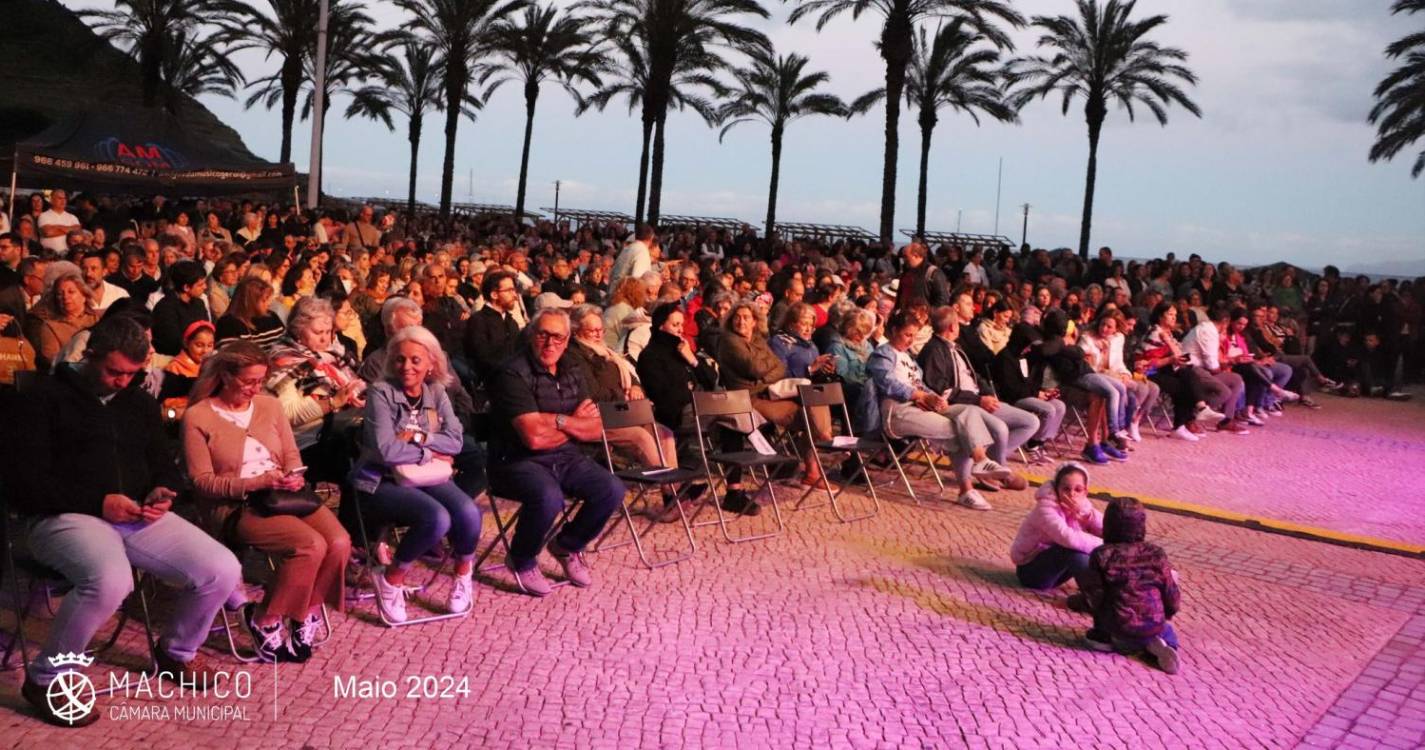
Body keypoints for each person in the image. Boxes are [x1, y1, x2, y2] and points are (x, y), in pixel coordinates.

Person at [3, 316, 242, 727]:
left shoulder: (138, 401)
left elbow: (163, 465)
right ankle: (47, 679)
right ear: (89, 355)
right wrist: (98, 502)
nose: (123, 382)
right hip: (61, 515)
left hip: (132, 513)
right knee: (111, 580)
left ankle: (175, 653)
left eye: (133, 374)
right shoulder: (42, 398)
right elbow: (23, 484)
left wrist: (163, 491)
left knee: (222, 569)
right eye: (114, 371)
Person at [182, 341, 349, 660]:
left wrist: (293, 473)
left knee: (339, 541)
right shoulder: (198, 417)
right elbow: (202, 482)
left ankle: (306, 612)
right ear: (226, 376)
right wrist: (256, 482)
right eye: (249, 382)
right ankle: (265, 619)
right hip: (238, 504)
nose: (256, 388)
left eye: (260, 380)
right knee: (309, 544)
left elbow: (289, 452)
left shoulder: (269, 405)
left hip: (283, 493)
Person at [486, 307, 626, 597]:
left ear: (567, 339)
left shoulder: (572, 367)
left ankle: (567, 546)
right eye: (544, 335)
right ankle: (522, 559)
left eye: (558, 338)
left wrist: (557, 421)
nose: (551, 344)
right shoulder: (512, 372)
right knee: (549, 496)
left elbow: (597, 428)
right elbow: (533, 439)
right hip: (514, 461)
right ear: (532, 335)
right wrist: (574, 422)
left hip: (565, 455)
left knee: (611, 489)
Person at [352, 326, 481, 622]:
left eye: (415, 360)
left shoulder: (436, 391)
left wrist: (419, 440)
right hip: (379, 479)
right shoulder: (381, 392)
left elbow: (456, 441)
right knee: (436, 518)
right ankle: (391, 579)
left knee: (469, 512)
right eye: (399, 360)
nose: (406, 367)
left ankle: (463, 576)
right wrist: (431, 450)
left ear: (431, 363)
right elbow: (386, 451)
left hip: (424, 475)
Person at [869, 310, 1022, 511]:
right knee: (960, 430)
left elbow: (920, 384)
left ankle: (981, 463)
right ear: (894, 330)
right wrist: (921, 396)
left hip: (920, 406)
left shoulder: (908, 357)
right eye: (907, 335)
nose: (911, 340)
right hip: (898, 412)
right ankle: (966, 489)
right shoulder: (883, 354)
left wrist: (935, 398)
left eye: (914, 336)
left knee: (969, 412)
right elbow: (887, 383)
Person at [718, 300, 835, 498]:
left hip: (772, 395)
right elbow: (755, 368)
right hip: (749, 400)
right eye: (737, 317)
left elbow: (777, 369)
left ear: (755, 321)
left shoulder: (757, 340)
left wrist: (766, 373)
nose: (741, 321)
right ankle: (827, 444)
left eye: (746, 317)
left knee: (812, 405)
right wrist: (769, 371)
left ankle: (816, 463)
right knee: (810, 411)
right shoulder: (730, 341)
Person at [918, 306, 1041, 479]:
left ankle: (992, 463)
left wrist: (988, 393)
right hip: (963, 405)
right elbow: (943, 390)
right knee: (1000, 429)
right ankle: (998, 473)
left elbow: (974, 376)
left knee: (1030, 422)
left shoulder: (957, 347)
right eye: (958, 324)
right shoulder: (934, 350)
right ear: (953, 327)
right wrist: (978, 400)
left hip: (979, 399)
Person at [1080, 497, 1182, 674]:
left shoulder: (1102, 555)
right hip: (1154, 624)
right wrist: (1168, 612)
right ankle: (1159, 644)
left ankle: (1111, 640)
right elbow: (1171, 593)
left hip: (1118, 625)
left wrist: (1078, 603)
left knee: (1100, 633)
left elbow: (1095, 597)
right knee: (1166, 630)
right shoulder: (1156, 553)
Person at [1009, 462, 1103, 603]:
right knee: (1074, 551)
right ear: (1056, 489)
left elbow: (1107, 529)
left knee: (1085, 548)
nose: (1072, 494)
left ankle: (1110, 591)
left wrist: (1085, 515)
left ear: (1085, 492)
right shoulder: (1045, 508)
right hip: (1031, 572)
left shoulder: (1083, 506)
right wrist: (1106, 545)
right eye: (1066, 489)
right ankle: (1095, 599)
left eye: (1078, 490)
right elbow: (1067, 537)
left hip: (1057, 574)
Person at [988, 322, 1065, 463]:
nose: (1030, 349)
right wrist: (1036, 394)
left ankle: (1039, 442)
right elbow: (1010, 389)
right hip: (1013, 398)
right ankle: (1032, 445)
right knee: (1048, 410)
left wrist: (1043, 392)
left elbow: (1028, 382)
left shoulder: (1022, 357)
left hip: (1027, 394)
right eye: (1028, 345)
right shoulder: (1004, 358)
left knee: (1059, 406)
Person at [26, 270, 98, 373]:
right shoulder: (50, 326)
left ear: (84, 295)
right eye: (60, 294)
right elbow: (52, 361)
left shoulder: (96, 319)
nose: (65, 297)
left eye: (71, 292)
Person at [464, 270, 523, 387]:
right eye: (509, 290)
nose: (515, 295)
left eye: (514, 290)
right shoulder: (478, 321)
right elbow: (482, 359)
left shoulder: (511, 322)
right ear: (494, 295)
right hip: (492, 383)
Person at [151, 260, 212, 356]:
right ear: (186, 287)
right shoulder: (165, 308)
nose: (205, 287)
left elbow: (207, 331)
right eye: (200, 284)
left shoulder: (199, 303)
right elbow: (172, 343)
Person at [159, 320, 216, 418]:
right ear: (186, 343)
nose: (205, 351)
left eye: (210, 345)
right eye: (199, 345)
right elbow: (168, 401)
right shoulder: (174, 367)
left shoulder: (213, 365)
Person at [216, 276, 287, 350]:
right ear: (251, 301)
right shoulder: (228, 324)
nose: (269, 303)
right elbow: (230, 357)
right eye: (264, 300)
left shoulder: (272, 317)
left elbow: (285, 346)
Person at [37, 189, 80, 255]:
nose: (63, 201)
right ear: (51, 200)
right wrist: (69, 229)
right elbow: (48, 232)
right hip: (49, 255)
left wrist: (56, 227)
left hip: (68, 254)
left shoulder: (72, 217)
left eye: (64, 198)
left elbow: (77, 231)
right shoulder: (44, 215)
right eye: (59, 198)